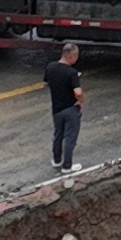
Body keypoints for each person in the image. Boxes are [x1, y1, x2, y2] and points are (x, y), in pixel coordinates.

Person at [43, 42, 85, 170]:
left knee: (58, 135)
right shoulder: (71, 72)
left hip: (56, 109)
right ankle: (67, 166)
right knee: (70, 138)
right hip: (70, 108)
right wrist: (81, 101)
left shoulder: (51, 67)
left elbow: (45, 83)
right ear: (71, 56)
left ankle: (56, 160)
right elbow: (77, 92)